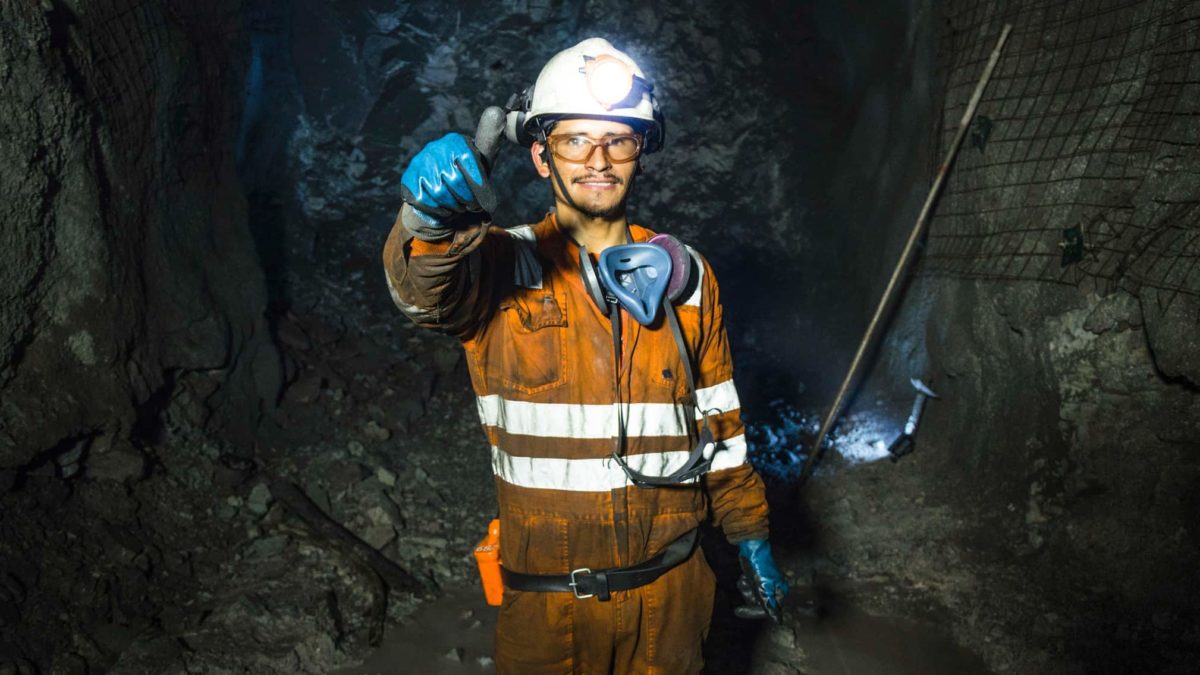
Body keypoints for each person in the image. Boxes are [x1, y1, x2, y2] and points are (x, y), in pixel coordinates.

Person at [382, 37, 787, 674]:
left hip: (673, 601)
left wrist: (752, 535)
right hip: (551, 614)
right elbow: (422, 295)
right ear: (541, 157)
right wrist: (427, 225)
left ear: (641, 153)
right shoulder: (497, 263)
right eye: (575, 141)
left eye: (618, 140)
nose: (598, 160)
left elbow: (723, 428)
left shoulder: (689, 279)